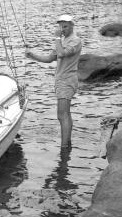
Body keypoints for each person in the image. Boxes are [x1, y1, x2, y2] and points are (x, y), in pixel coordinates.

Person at [25, 14, 82, 149]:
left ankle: (64, 147)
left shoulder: (75, 40)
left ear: (72, 26)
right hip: (61, 81)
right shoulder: (61, 41)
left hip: (67, 80)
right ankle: (67, 143)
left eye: (65, 26)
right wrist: (32, 55)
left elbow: (62, 54)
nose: (62, 29)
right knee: (65, 114)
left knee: (62, 115)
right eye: (61, 26)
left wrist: (57, 38)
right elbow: (50, 58)